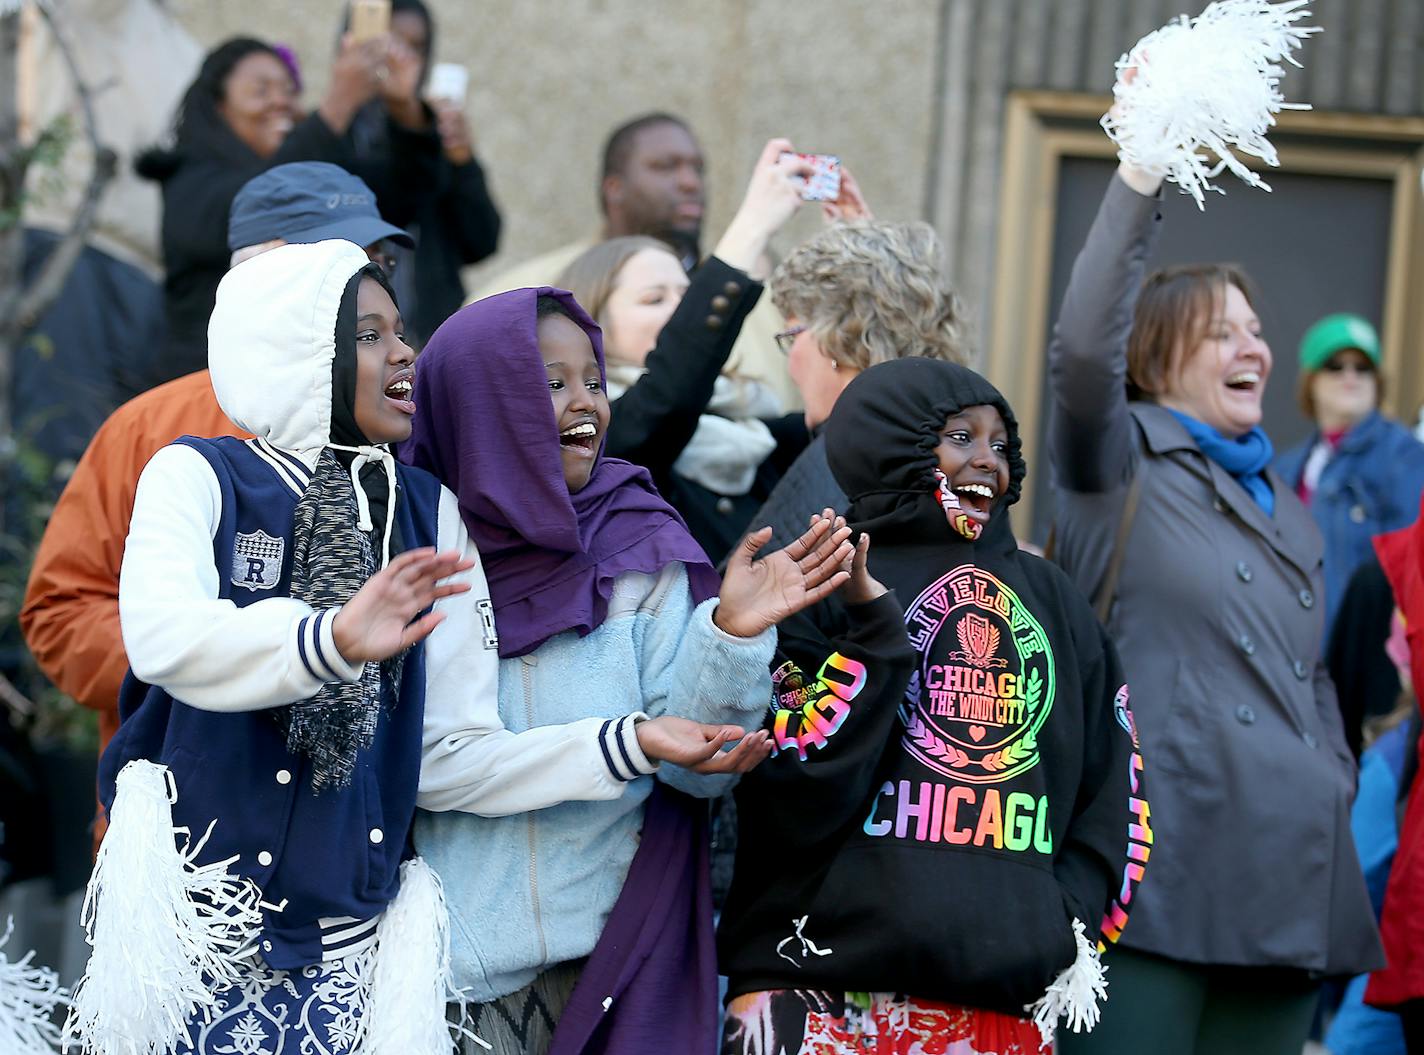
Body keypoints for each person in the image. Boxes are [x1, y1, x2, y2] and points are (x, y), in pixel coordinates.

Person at [64, 239, 497, 1053]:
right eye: (369, 335)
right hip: (192, 936)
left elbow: (450, 750)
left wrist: (623, 746)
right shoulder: (195, 473)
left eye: (402, 331)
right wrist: (329, 638)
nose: (406, 351)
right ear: (301, 353)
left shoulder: (426, 510)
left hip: (352, 948)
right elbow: (162, 637)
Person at [401, 286, 856, 1055]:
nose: (586, 403)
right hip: (448, 983)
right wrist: (627, 741)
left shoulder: (638, 539)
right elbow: (421, 766)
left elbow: (699, 770)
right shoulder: (411, 556)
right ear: (479, 401)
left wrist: (733, 632)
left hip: (616, 965)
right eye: (550, 383)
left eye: (594, 380)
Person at [1046, 87, 1381, 1054]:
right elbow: (1079, 349)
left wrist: (1331, 774)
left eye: (1256, 329)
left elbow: (1309, 678)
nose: (1257, 347)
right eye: (1222, 330)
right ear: (1157, 356)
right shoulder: (1116, 460)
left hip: (1284, 883)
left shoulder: (1289, 501)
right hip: (1155, 876)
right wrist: (1140, 172)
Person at [718, 357, 1148, 1054]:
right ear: (892, 440)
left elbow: (1116, 786)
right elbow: (791, 779)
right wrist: (875, 640)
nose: (989, 462)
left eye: (1002, 444)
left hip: (1000, 1004)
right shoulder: (808, 580)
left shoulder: (1058, 601)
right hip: (814, 999)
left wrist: (1055, 921)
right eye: (961, 437)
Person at [20, 163, 412, 847]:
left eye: (376, 263)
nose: (362, 281)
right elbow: (60, 610)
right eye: (335, 259)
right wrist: (206, 674)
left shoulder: (406, 425)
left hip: (350, 838)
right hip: (177, 833)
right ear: (257, 277)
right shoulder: (154, 427)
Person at [557, 138, 818, 560]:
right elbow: (668, 399)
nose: (681, 310)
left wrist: (858, 244)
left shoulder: (752, 427)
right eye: (655, 298)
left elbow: (852, 424)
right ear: (591, 327)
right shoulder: (596, 433)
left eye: (687, 293)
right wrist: (752, 226)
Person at [135, 34, 422, 385]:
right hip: (205, 385)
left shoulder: (305, 167)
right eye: (261, 91)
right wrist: (337, 107)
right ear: (218, 106)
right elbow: (249, 205)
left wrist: (406, 111)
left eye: (288, 91)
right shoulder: (190, 177)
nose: (281, 103)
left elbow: (402, 200)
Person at [474, 113, 797, 409]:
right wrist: (753, 227)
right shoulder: (527, 289)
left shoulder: (755, 293)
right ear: (614, 188)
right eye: (665, 166)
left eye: (697, 169)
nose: (690, 182)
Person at [746, 218, 971, 554]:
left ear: (838, 337)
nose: (790, 359)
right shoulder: (962, 440)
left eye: (792, 335)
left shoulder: (851, 459)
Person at [341, 0, 502, 346]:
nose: (403, 57)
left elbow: (482, 240)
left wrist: (462, 160)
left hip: (433, 338)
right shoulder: (332, 133)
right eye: (392, 40)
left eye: (416, 46)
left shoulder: (434, 134)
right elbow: (389, 202)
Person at [1275, 313, 1424, 629]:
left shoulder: (1406, 456)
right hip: (1291, 647)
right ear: (1310, 380)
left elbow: (1411, 571)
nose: (1351, 377)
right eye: (1335, 366)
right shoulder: (1286, 466)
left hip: (1362, 652)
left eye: (1363, 368)